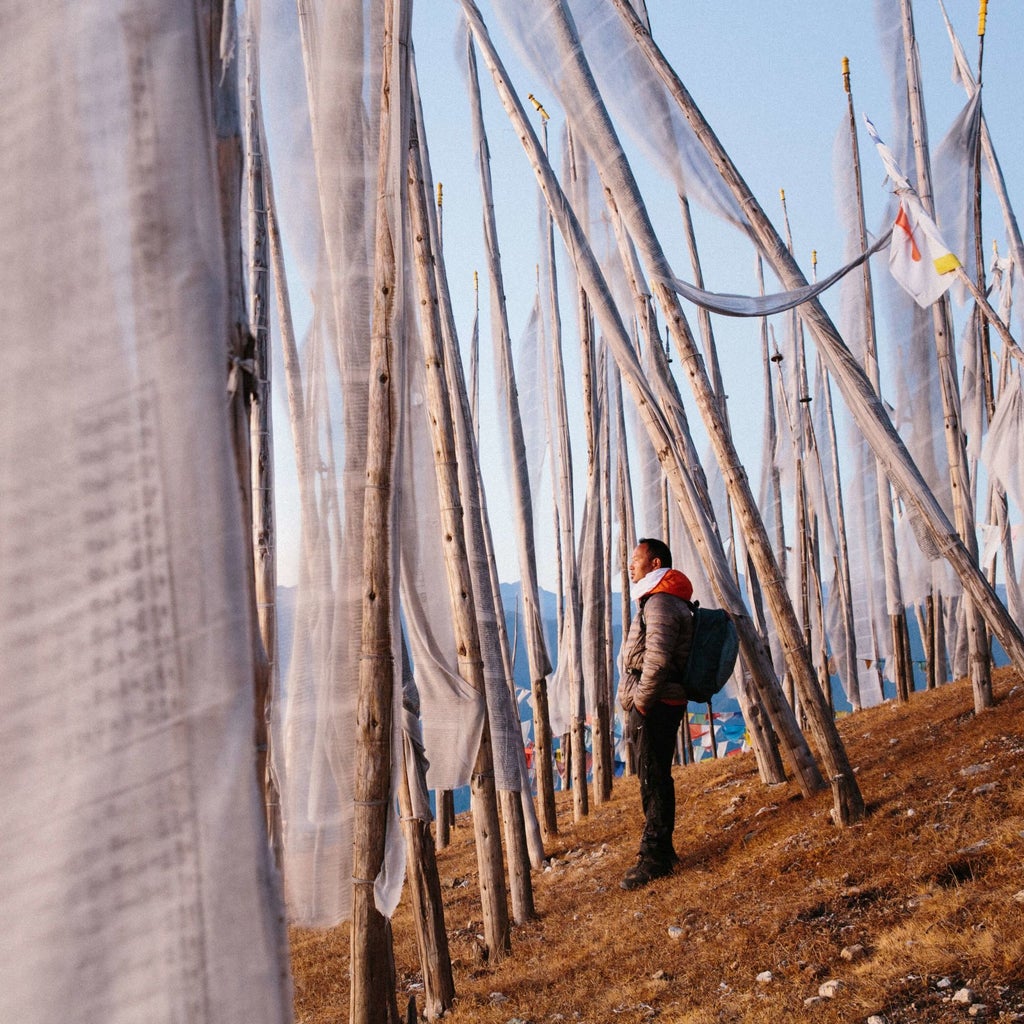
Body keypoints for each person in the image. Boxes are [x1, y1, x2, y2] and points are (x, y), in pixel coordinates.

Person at [618, 537, 695, 890]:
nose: (630, 565)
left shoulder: (661, 602)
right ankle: (661, 849)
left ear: (655, 562)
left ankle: (656, 856)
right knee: (654, 774)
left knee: (653, 776)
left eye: (635, 560)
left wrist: (642, 702)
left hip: (657, 703)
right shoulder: (657, 598)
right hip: (657, 700)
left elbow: (659, 659)